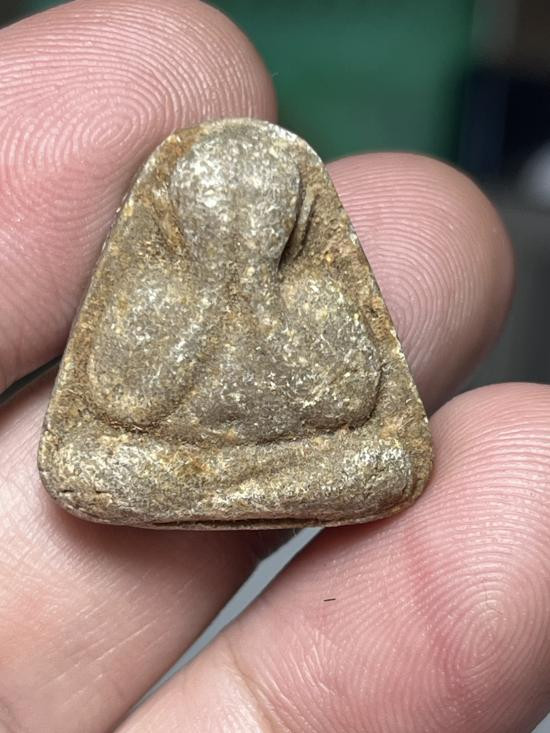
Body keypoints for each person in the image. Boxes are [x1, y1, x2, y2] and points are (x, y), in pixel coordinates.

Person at [0, 1, 546, 731]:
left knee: (385, 464)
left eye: (258, 217)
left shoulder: (314, 294)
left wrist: (261, 306)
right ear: (185, 219)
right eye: (218, 217)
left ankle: (233, 490)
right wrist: (207, 312)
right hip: (162, 465)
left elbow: (352, 403)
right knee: (86, 466)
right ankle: (224, 490)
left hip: (296, 460)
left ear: (287, 220)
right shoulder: (157, 293)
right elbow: (123, 408)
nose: (237, 231)